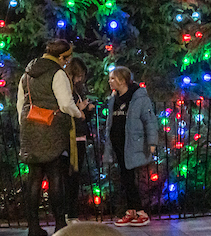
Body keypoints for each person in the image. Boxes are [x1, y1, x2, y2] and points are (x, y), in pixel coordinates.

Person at [20, 40, 83, 236]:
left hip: (30, 128)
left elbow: (20, 103)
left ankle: (33, 226)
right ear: (63, 57)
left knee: (34, 178)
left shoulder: (27, 74)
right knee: (56, 176)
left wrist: (26, 126)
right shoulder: (58, 73)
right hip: (53, 128)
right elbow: (65, 103)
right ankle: (59, 223)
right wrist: (78, 114)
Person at [105, 67, 158, 227]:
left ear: (122, 80)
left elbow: (149, 120)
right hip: (118, 143)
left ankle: (140, 211)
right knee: (125, 177)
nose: (110, 81)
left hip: (133, 143)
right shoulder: (114, 99)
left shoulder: (138, 98)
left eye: (113, 78)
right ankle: (132, 210)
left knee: (131, 177)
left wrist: (152, 142)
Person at [65, 57, 94, 221]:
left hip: (80, 135)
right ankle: (70, 212)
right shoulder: (68, 90)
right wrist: (79, 109)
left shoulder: (76, 90)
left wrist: (87, 110)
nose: (80, 79)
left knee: (75, 176)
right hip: (72, 137)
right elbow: (68, 112)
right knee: (71, 176)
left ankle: (71, 211)